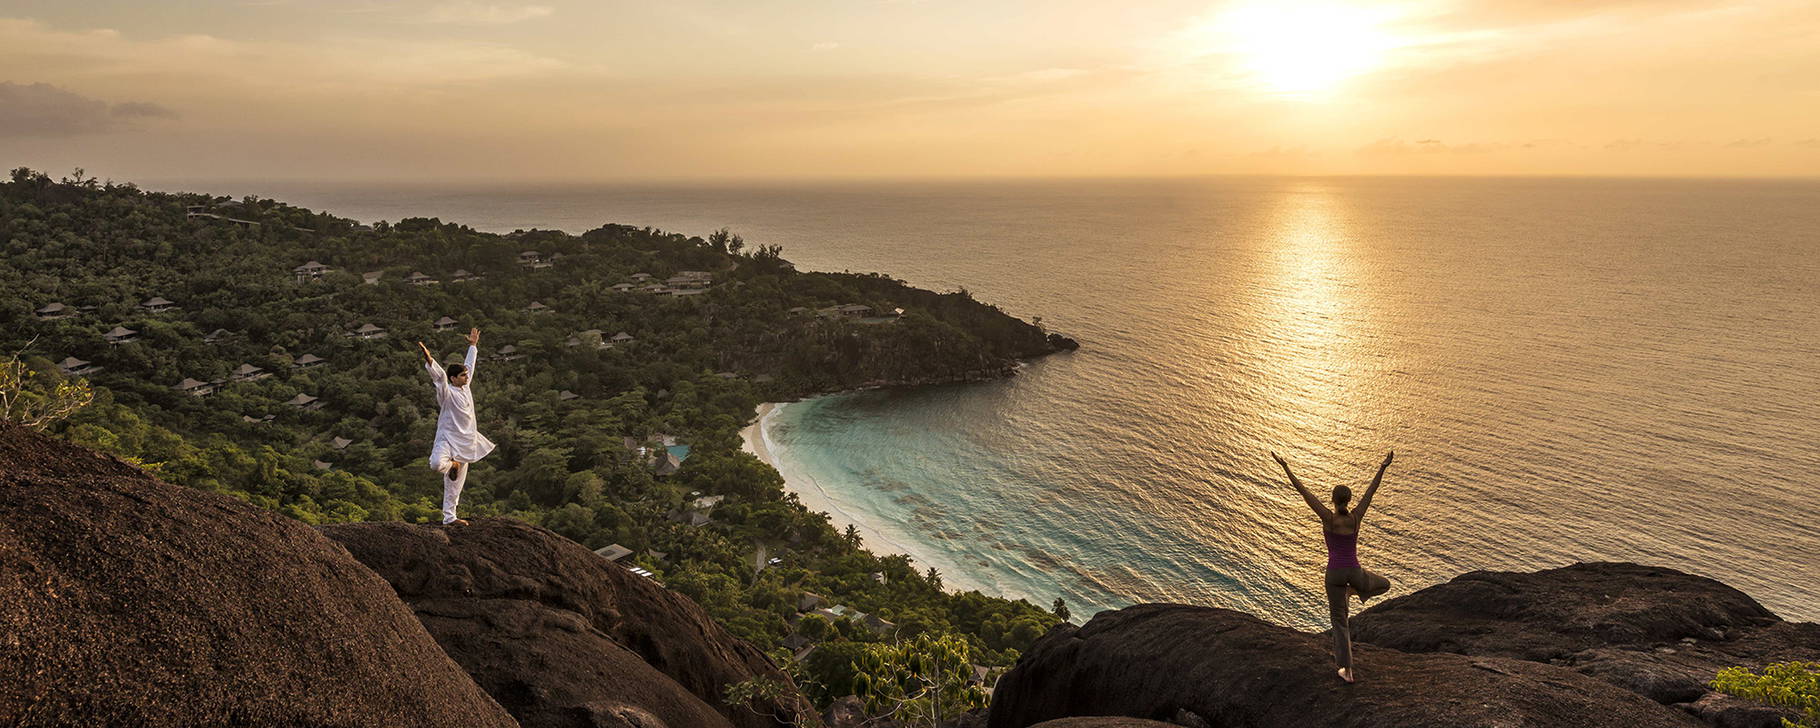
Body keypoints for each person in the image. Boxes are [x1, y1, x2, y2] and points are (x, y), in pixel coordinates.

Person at [1271, 449, 1395, 683]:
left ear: (1333, 500)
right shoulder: (1356, 517)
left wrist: (1285, 466)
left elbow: (1303, 492)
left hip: (1334, 575)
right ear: (1349, 500)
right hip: (1355, 572)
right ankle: (1354, 591)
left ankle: (1347, 672)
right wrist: (1383, 466)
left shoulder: (1328, 518)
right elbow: (1372, 491)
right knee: (1385, 584)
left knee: (1340, 622)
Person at [419, 328, 495, 526]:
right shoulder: (447, 393)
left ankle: (450, 518)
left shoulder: (466, 387)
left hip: (466, 441)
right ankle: (452, 465)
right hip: (447, 439)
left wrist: (473, 345)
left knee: (455, 485)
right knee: (436, 464)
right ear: (453, 378)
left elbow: (470, 365)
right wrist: (429, 360)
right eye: (462, 375)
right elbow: (439, 378)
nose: (466, 377)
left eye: (466, 375)